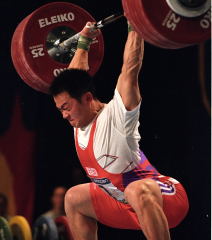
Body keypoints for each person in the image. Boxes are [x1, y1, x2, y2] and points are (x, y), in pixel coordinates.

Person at [49, 20, 189, 240]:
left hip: (165, 200)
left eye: (66, 108)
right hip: (123, 203)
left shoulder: (118, 114)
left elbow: (130, 68)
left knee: (136, 189)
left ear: (87, 99)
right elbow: (75, 76)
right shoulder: (78, 116)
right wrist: (84, 40)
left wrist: (135, 23)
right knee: (73, 197)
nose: (64, 115)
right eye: (60, 110)